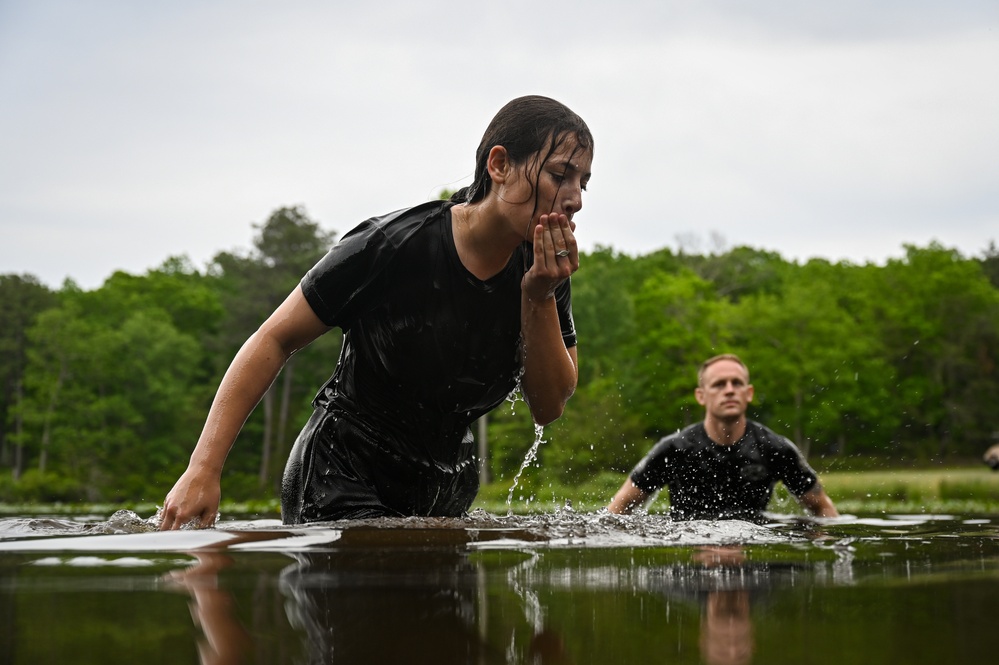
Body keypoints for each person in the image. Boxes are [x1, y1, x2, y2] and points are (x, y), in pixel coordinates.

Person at [159, 95, 593, 529]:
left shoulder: (546, 274)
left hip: (445, 490)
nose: (574, 199)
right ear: (499, 166)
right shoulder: (394, 244)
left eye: (583, 183)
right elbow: (274, 338)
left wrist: (538, 296)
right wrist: (203, 469)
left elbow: (549, 404)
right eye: (560, 174)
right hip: (341, 475)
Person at [607, 354, 838, 520]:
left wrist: (823, 547)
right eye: (719, 384)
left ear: (749, 394)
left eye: (736, 383)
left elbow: (823, 508)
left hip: (753, 556)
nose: (729, 390)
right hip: (689, 558)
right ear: (701, 396)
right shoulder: (673, 450)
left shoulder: (775, 448)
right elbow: (619, 508)